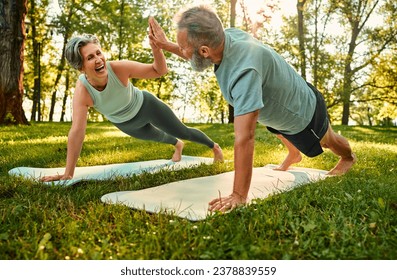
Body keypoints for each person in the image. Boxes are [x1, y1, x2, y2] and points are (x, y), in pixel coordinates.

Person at [148, 7, 356, 212]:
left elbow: (244, 138)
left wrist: (238, 195)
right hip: (280, 105)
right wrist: (165, 45)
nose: (181, 51)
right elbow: (195, 55)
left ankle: (348, 158)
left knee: (328, 140)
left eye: (183, 48)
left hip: (304, 114)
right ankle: (294, 154)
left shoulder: (245, 73)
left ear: (205, 50)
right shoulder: (225, 37)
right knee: (274, 126)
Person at [41, 20, 223, 183]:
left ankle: (214, 147)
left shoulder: (118, 69)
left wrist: (156, 49)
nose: (98, 60)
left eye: (98, 53)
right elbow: (77, 131)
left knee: (182, 131)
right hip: (125, 123)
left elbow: (158, 71)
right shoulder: (83, 92)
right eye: (90, 57)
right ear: (81, 67)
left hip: (146, 106)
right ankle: (177, 145)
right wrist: (68, 173)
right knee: (158, 136)